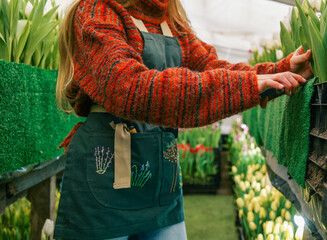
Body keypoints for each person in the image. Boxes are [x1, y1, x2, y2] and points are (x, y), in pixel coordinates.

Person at [54, 0, 313, 239]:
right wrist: (246, 85)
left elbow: (211, 68)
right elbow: (129, 88)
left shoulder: (170, 20)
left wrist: (280, 71)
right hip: (103, 178)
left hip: (161, 182)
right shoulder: (96, 10)